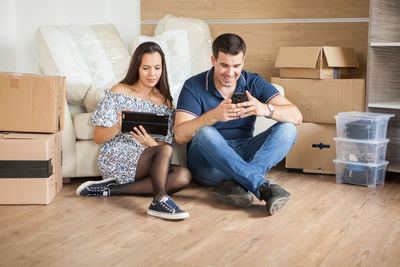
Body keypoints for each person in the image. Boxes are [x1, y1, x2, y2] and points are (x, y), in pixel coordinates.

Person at [174, 33, 302, 215]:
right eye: (224, 65)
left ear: (243, 61)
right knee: (205, 133)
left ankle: (239, 182)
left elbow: (296, 116)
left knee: (288, 128)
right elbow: (180, 135)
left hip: (244, 154)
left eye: (236, 66)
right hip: (209, 165)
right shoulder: (193, 86)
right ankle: (260, 185)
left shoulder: (253, 81)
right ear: (213, 60)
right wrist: (213, 116)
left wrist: (265, 109)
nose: (230, 72)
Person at [76, 41, 191, 220]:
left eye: (157, 68)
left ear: (163, 69)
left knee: (183, 175)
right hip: (117, 157)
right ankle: (159, 200)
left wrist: (151, 144)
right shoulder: (119, 92)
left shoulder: (165, 101)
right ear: (137, 67)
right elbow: (98, 137)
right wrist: (118, 126)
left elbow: (164, 144)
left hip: (147, 159)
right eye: (146, 68)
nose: (152, 74)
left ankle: (110, 189)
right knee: (165, 151)